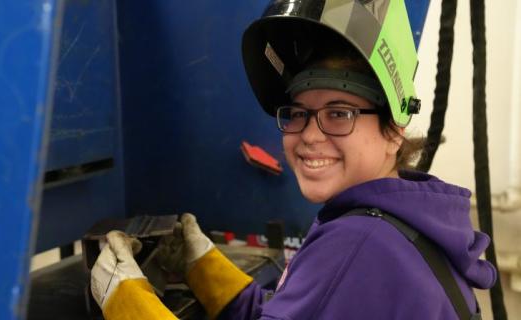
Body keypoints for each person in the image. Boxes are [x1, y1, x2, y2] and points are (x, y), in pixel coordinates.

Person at [90, 0, 497, 319]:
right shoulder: (399, 223)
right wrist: (204, 268)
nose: (310, 135)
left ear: (393, 131)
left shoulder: (360, 242)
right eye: (298, 113)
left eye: (339, 113)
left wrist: (127, 300)